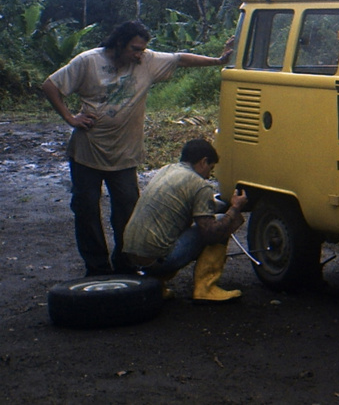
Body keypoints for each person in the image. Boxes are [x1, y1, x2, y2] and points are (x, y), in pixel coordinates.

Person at [41, 20, 233, 276]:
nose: (138, 54)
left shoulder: (146, 61)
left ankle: (125, 263)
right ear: (119, 43)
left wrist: (218, 61)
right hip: (87, 152)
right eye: (134, 48)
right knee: (86, 211)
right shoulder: (87, 61)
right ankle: (97, 268)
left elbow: (179, 59)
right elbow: (50, 85)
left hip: (124, 155)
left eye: (142, 49)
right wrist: (70, 118)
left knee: (128, 211)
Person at [123, 139, 248, 303]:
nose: (209, 175)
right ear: (203, 161)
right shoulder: (199, 185)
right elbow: (211, 233)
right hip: (158, 261)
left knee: (168, 229)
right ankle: (206, 289)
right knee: (222, 222)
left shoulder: (167, 170)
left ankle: (157, 287)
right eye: (210, 169)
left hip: (132, 255)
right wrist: (235, 208)